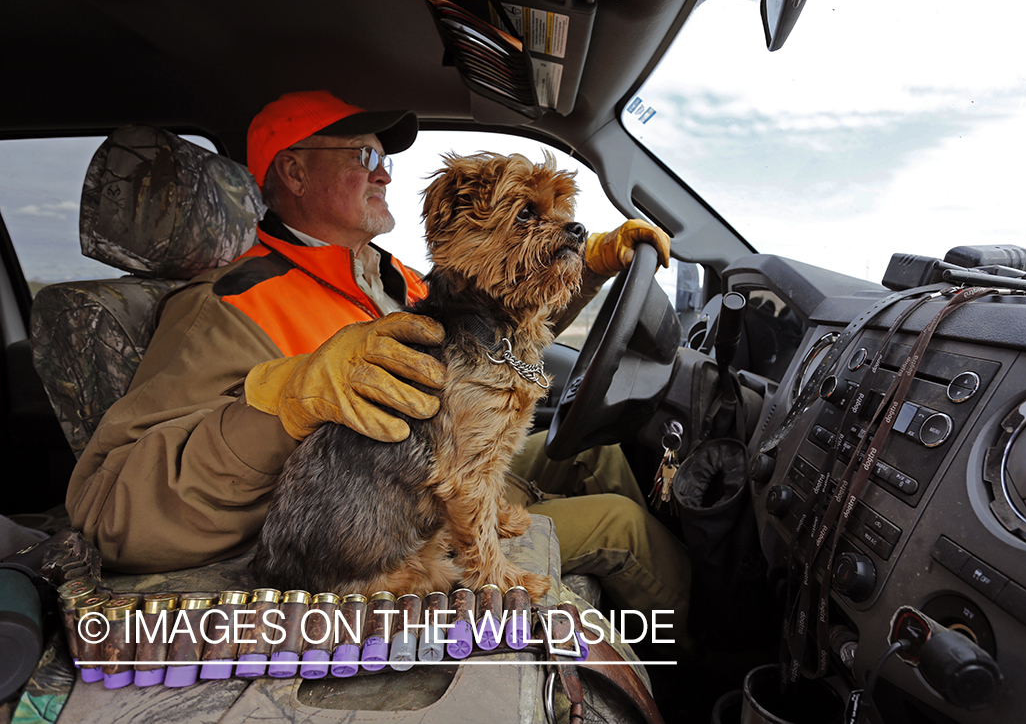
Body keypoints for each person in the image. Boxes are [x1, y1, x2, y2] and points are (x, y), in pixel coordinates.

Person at [66, 90, 690, 641]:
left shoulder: (388, 276)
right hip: (369, 527)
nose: (386, 177)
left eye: (384, 162)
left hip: (441, 472)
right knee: (622, 524)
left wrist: (592, 265)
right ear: (295, 171)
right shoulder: (226, 307)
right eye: (363, 158)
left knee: (598, 452)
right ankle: (706, 660)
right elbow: (109, 513)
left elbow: (496, 326)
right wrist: (284, 399)